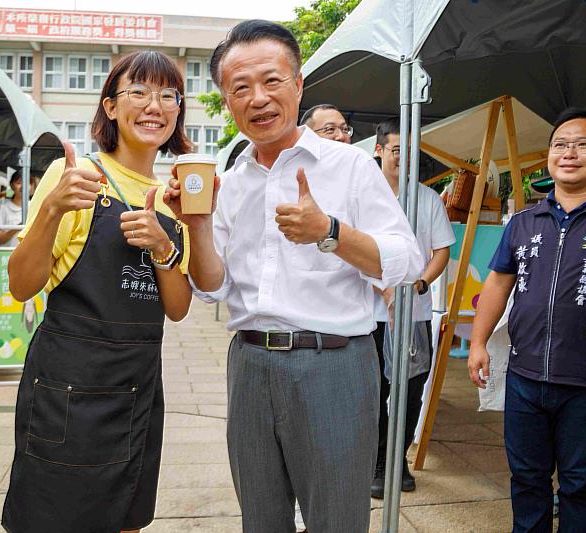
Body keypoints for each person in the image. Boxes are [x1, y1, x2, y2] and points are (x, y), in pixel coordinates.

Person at [165, 20, 422, 533]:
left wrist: (329, 231)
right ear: (226, 99)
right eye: (240, 87)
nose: (257, 98)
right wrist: (197, 225)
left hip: (334, 366)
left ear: (299, 84)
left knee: (336, 520)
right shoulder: (232, 184)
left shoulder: (348, 165)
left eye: (271, 80)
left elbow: (406, 260)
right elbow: (213, 286)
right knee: (261, 518)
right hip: (250, 364)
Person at [1, 50, 193, 533]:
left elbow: (178, 308)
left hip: (140, 385)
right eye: (139, 92)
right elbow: (23, 287)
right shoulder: (78, 177)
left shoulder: (176, 195)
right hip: (68, 383)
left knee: (128, 519)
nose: (155, 106)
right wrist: (51, 211)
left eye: (168, 95)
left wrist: (164, 247)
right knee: (52, 518)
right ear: (110, 106)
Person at [468, 108, 586, 532]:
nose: (569, 153)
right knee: (527, 482)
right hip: (525, 378)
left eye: (583, 144)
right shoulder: (523, 221)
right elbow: (499, 284)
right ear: (549, 156)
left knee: (582, 487)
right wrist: (479, 341)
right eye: (560, 145)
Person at [370, 117, 455, 498]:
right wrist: (382, 288)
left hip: (415, 314)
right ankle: (376, 462)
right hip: (367, 316)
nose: (403, 159)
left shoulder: (427, 198)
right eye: (395, 151)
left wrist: (419, 283)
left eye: (409, 152)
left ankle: (397, 460)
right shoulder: (364, 195)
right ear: (379, 150)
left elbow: (441, 251)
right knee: (374, 391)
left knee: (410, 391)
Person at [0, 171, 25, 247]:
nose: (23, 186)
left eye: (27, 183)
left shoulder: (34, 206)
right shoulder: (4, 208)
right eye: (19, 183)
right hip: (8, 255)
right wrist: (17, 228)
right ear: (12, 185)